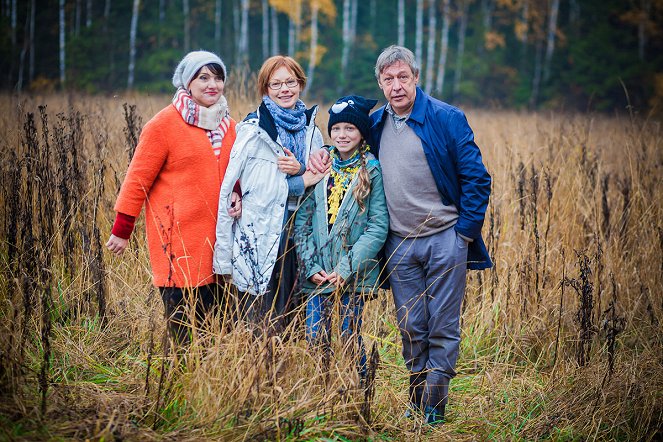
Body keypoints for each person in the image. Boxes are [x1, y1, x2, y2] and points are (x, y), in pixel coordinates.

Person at [106, 50, 241, 345]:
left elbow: (237, 175)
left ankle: (212, 386)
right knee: (184, 331)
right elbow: (137, 179)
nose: (212, 85)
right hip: (178, 242)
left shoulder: (229, 126)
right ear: (187, 82)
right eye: (203, 77)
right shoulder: (163, 125)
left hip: (221, 244)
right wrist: (122, 228)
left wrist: (239, 194)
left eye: (218, 78)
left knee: (217, 330)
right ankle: (178, 384)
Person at [213, 55, 329, 328]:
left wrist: (302, 170)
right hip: (262, 233)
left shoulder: (313, 131)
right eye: (276, 84)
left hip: (301, 233)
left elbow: (320, 184)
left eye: (290, 82)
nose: (284, 89)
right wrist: (303, 180)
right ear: (265, 89)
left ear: (300, 83)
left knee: (296, 317)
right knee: (261, 319)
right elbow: (256, 191)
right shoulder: (253, 132)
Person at [294, 95, 388, 378]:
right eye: (336, 129)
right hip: (319, 275)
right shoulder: (322, 167)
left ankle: (360, 393)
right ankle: (323, 392)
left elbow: (378, 225)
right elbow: (302, 221)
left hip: (351, 276)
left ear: (361, 133)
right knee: (314, 337)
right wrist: (311, 267)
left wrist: (346, 268)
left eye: (350, 129)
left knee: (349, 337)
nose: (342, 135)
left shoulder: (371, 170)